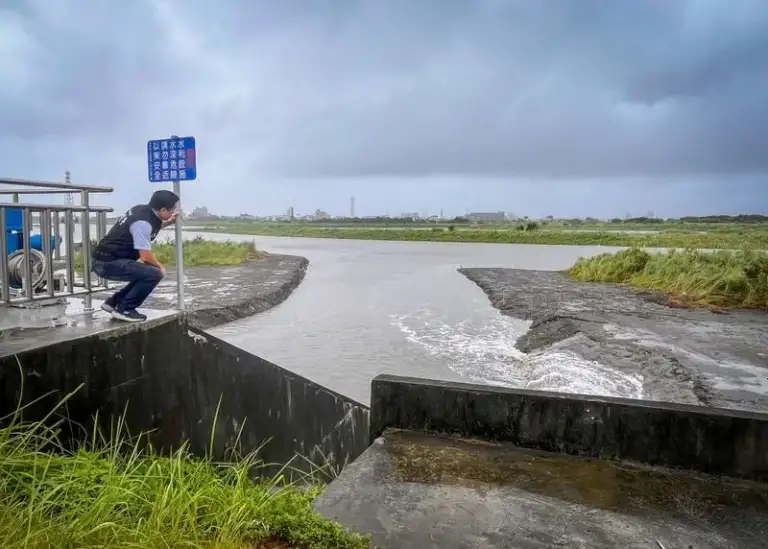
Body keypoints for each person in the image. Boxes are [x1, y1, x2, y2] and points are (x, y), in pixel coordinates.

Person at [91, 190, 180, 322]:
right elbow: (145, 256)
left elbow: (150, 227)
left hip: (105, 259)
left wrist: (170, 221)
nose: (175, 211)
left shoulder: (142, 211)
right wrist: (160, 267)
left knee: (145, 273)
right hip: (106, 263)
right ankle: (125, 309)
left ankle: (113, 303)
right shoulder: (143, 223)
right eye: (173, 209)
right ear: (162, 210)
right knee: (153, 273)